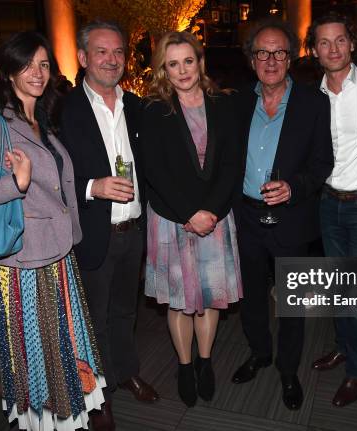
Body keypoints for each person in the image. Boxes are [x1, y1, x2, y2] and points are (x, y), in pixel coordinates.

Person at [0, 31, 105, 430]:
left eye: (44, 64)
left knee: (66, 351)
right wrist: (12, 185)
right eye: (27, 64)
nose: (37, 72)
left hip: (59, 256)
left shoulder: (42, 122)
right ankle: (50, 422)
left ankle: (70, 420)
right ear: (10, 72)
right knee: (41, 358)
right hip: (24, 266)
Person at [230, 19, 334, 411]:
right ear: (251, 58)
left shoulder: (313, 102)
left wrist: (295, 187)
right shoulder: (237, 101)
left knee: (292, 301)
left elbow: (323, 161)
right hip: (246, 217)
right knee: (253, 294)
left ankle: (288, 370)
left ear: (290, 58)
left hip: (291, 217)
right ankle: (260, 353)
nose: (270, 60)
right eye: (262, 52)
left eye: (279, 52)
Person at [60, 20, 159, 430]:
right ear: (83, 58)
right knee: (93, 319)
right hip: (93, 233)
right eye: (102, 52)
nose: (111, 60)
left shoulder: (137, 105)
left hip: (133, 230)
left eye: (118, 52)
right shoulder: (64, 111)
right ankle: (98, 397)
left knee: (125, 312)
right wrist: (91, 187)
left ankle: (127, 371)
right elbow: (51, 176)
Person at [140, 31, 242, 407]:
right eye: (173, 64)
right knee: (180, 301)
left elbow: (232, 163)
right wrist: (189, 213)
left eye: (188, 61)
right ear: (163, 70)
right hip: (172, 219)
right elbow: (154, 170)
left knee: (212, 296)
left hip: (215, 218)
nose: (182, 70)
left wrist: (210, 211)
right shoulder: (155, 109)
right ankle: (184, 364)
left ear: (200, 62)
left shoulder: (223, 104)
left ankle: (205, 360)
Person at [305, 13, 357, 407]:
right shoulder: (309, 95)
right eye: (324, 42)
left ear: (352, 44)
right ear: (314, 50)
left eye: (340, 40)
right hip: (327, 202)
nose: (333, 49)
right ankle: (343, 347)